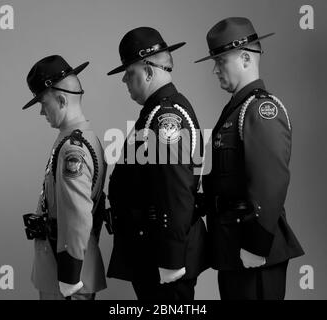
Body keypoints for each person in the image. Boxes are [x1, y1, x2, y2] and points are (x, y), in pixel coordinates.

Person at [194, 17, 304, 300]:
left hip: (253, 246)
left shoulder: (261, 109)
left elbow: (271, 182)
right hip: (231, 245)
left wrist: (256, 245)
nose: (215, 70)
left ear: (245, 58)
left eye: (220, 61)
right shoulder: (236, 109)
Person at [106, 27, 208, 300]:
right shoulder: (154, 113)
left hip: (163, 257)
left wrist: (172, 261)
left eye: (130, 73)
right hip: (152, 251)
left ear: (149, 72)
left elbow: (176, 189)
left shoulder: (166, 117)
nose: (125, 80)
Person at [22, 55, 107, 300]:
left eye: (43, 102)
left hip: (68, 276)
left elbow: (78, 215)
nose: (41, 111)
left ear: (60, 99)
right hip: (64, 268)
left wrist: (69, 278)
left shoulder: (73, 148)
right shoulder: (76, 138)